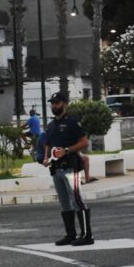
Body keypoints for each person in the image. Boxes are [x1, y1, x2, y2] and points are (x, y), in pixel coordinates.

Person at [43, 92, 94, 246]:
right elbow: (47, 143)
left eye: (57, 103)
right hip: (56, 169)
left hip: (71, 167)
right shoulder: (51, 125)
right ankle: (70, 234)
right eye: (52, 103)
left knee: (77, 200)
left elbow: (84, 142)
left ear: (65, 104)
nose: (54, 106)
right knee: (64, 202)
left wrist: (67, 150)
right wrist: (46, 158)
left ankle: (87, 235)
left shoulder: (72, 122)